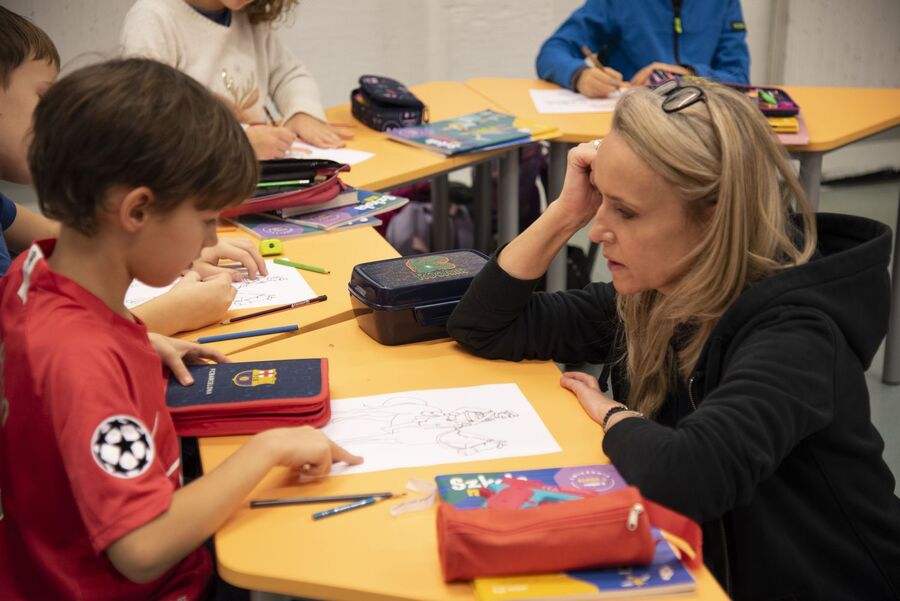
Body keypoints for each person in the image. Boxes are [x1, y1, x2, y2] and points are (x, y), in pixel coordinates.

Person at [447, 81, 900, 599]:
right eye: (601, 202)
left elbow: (687, 476)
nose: (596, 232)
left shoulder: (796, 332)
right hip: (715, 571)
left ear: (711, 219)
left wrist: (613, 414)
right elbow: (485, 325)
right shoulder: (659, 291)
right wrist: (566, 211)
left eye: (627, 211)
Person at [0, 57, 362, 600]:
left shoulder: (36, 273)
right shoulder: (82, 359)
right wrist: (266, 449)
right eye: (206, 218)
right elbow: (142, 550)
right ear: (138, 210)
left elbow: (53, 359)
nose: (208, 239)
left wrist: (138, 339)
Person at [0, 6, 268, 335]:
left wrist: (169, 245)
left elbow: (71, 237)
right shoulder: (75, 362)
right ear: (137, 208)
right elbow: (20, 344)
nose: (50, 116)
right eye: (43, 96)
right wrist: (157, 322)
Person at [121, 0, 352, 159]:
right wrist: (241, 141)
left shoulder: (247, 16)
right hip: (194, 184)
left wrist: (302, 112)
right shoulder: (153, 17)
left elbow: (289, 73)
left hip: (250, 174)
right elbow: (151, 118)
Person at [536, 0, 750, 98]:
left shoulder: (724, 3)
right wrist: (579, 75)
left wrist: (690, 76)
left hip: (700, 129)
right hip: (630, 129)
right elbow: (553, 51)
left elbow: (739, 78)